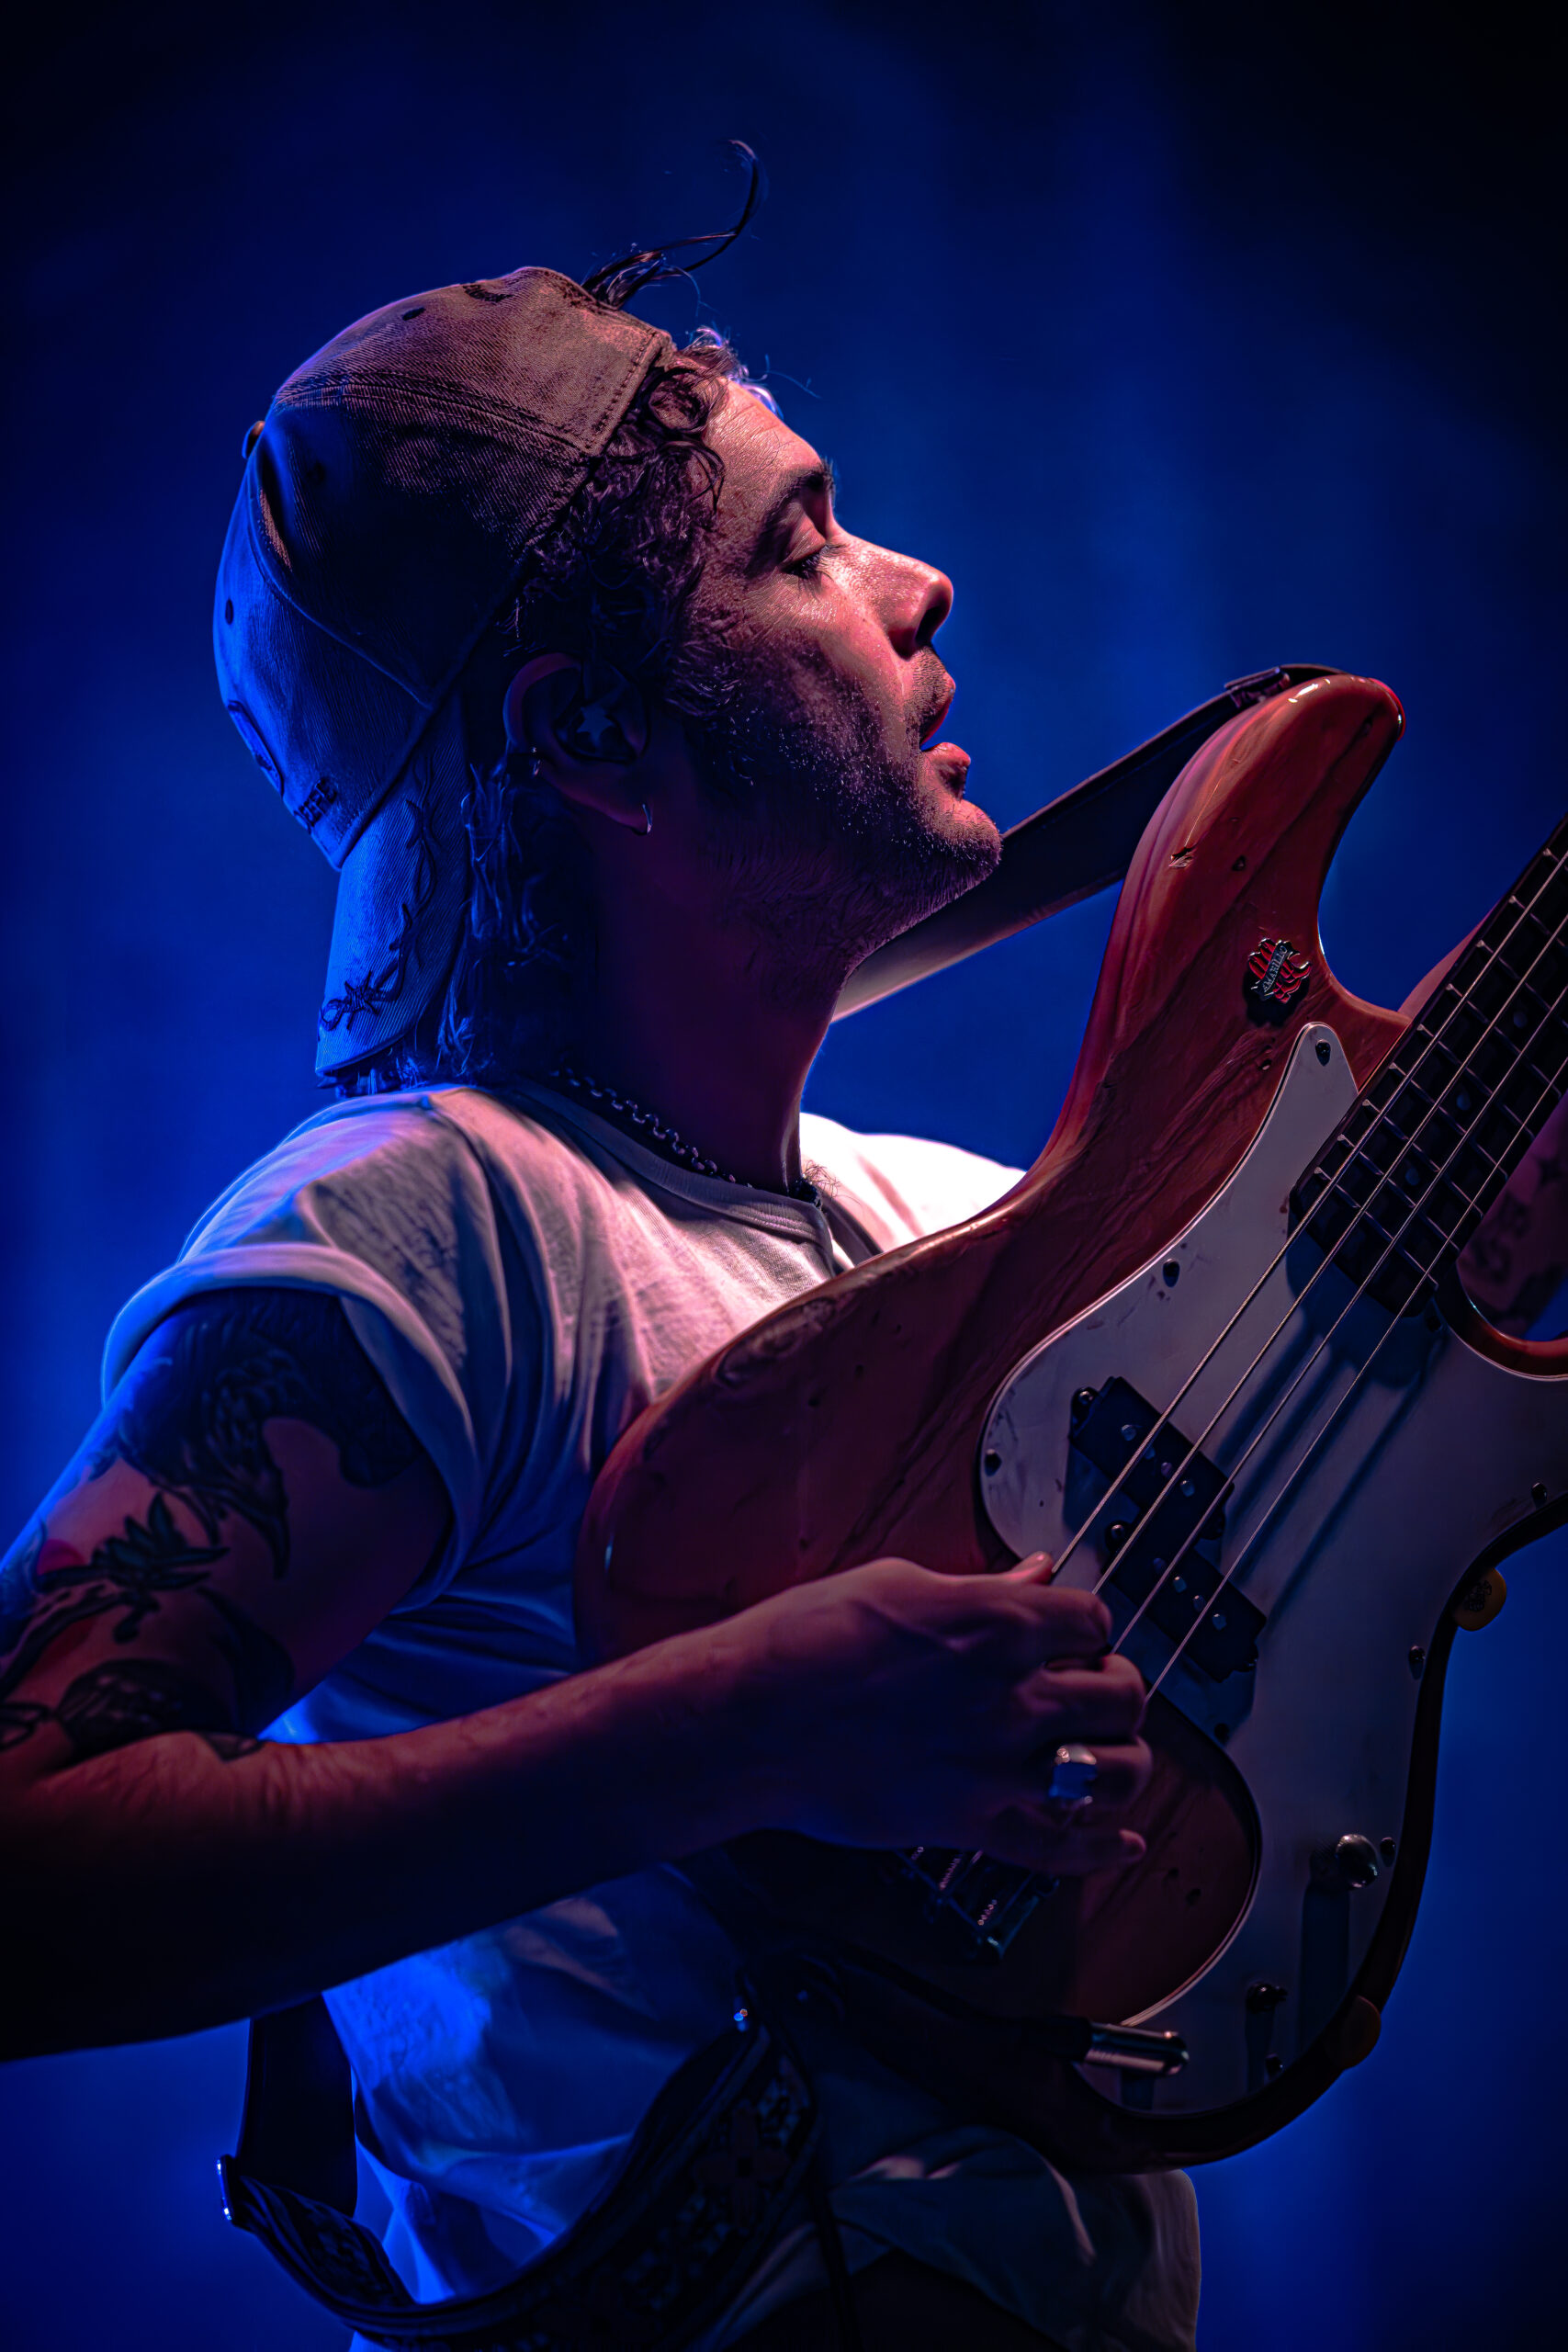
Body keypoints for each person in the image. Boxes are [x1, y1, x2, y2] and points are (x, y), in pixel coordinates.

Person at [0, 250, 1231, 2352]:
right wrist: (746, 1722)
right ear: (590, 731)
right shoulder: (433, 1215)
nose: (916, 583)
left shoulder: (937, 1216)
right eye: (800, 544)